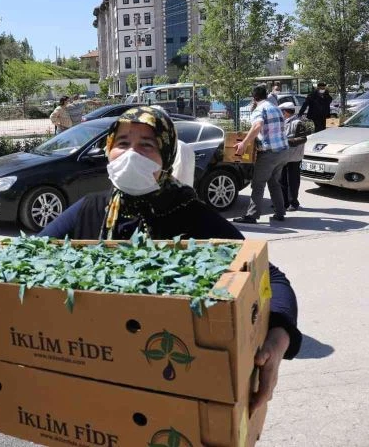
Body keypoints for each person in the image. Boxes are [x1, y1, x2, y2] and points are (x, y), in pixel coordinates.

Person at [38, 106, 301, 414]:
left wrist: (279, 337)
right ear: (108, 150)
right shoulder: (89, 211)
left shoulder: (191, 216)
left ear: (166, 155)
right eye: (122, 143)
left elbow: (270, 278)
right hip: (97, 373)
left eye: (146, 145)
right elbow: (28, 255)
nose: (131, 154)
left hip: (170, 382)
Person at [233, 86, 289, 224]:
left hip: (269, 153)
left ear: (254, 98)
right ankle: (280, 213)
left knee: (258, 184)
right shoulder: (276, 108)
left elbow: (257, 126)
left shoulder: (259, 109)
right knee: (274, 183)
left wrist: (243, 143)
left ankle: (251, 216)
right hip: (282, 151)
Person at [279, 103, 307, 212]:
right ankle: (283, 202)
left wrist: (288, 141)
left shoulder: (298, 122)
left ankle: (293, 203)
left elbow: (303, 138)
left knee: (293, 182)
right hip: (283, 156)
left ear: (285, 112)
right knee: (282, 180)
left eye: (282, 112)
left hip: (294, 158)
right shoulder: (283, 122)